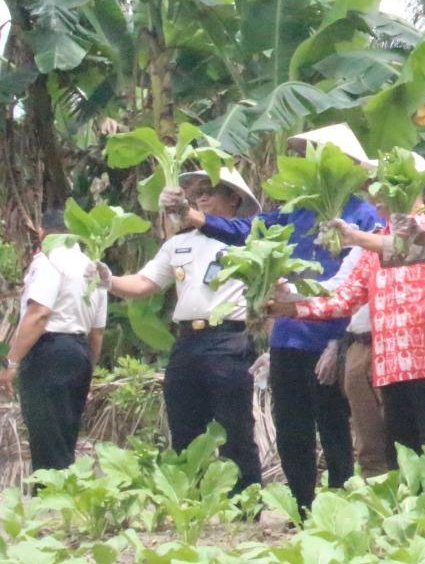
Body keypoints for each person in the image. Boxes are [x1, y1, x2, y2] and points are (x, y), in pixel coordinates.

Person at [169, 123, 380, 514]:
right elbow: (248, 230)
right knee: (292, 431)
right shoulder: (295, 212)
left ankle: (339, 512)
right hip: (288, 338)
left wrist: (340, 342)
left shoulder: (363, 216)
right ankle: (302, 511)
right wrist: (196, 218)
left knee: (334, 429)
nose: (309, 165)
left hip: (333, 340)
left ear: (346, 166)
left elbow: (363, 285)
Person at [277, 160, 425, 457]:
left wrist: (356, 237)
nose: (374, 197)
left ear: (407, 188)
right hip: (390, 362)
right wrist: (291, 309)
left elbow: (409, 244)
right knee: (400, 454)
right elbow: (345, 297)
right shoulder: (374, 243)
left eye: (380, 188)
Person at [104, 169, 264, 494]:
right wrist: (108, 280)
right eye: (198, 192)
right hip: (187, 342)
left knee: (235, 428)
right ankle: (189, 499)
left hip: (229, 340)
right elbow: (144, 283)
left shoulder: (251, 238)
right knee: (185, 426)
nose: (202, 197)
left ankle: (245, 504)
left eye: (211, 191)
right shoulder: (178, 244)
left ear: (234, 199)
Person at [3, 209, 105, 474]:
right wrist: (87, 370)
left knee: (46, 438)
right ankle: (63, 503)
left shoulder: (48, 260)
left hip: (48, 352)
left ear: (42, 232)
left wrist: (11, 361)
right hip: (79, 352)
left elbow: (39, 314)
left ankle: (49, 508)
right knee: (65, 436)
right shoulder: (93, 266)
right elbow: (97, 332)